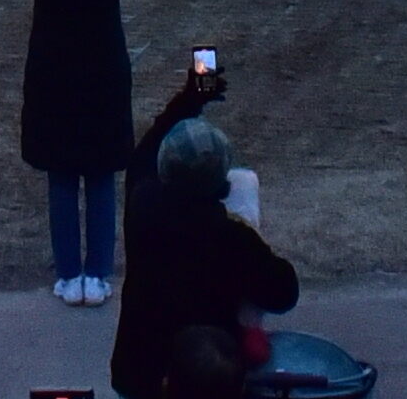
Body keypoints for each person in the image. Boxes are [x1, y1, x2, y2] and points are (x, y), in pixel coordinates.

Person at [10, 0, 154, 305]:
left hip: (51, 66)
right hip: (104, 65)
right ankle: (99, 273)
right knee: (100, 173)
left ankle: (68, 273)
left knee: (61, 174)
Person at [110, 84, 297, 399]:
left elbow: (144, 153)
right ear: (221, 181)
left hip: (138, 374)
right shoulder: (232, 239)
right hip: (209, 380)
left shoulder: (142, 205)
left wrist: (187, 100)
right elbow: (284, 291)